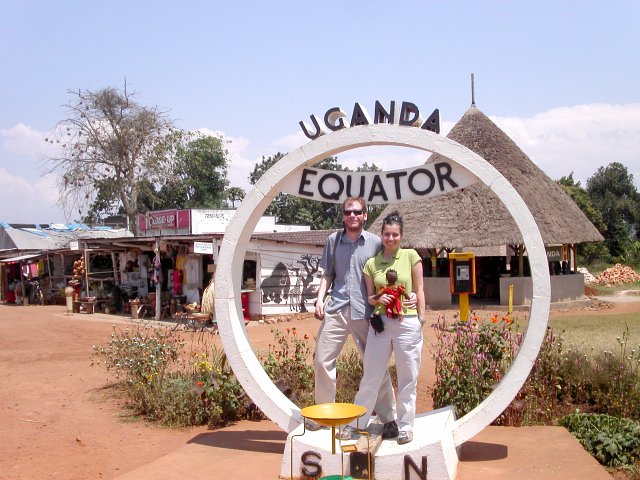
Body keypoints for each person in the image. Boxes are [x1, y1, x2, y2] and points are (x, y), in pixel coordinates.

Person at [313, 197, 413, 438]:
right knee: (322, 360)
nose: (352, 215)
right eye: (348, 211)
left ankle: (389, 417)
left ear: (365, 215)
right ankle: (325, 414)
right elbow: (327, 273)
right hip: (337, 308)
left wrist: (408, 297)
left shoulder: (376, 243)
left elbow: (390, 271)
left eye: (357, 211)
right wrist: (319, 298)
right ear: (343, 215)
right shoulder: (333, 241)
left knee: (374, 366)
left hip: (366, 313)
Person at [340, 211, 427, 445]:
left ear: (401, 235)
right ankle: (358, 423)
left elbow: (419, 290)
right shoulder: (372, 264)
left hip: (406, 324)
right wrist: (379, 299)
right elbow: (369, 298)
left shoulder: (411, 256)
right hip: (380, 324)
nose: (391, 238)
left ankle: (406, 426)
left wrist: (421, 317)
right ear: (382, 235)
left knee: (408, 378)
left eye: (395, 234)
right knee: (371, 376)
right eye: (387, 234)